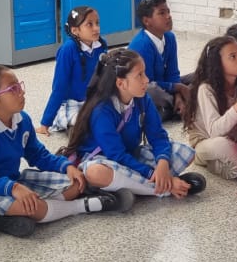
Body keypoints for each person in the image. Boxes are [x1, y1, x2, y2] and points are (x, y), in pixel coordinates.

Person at [0, 66, 128, 238]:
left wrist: (66, 167)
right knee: (34, 207)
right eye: (13, 89)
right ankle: (82, 206)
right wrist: (14, 188)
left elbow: (37, 154)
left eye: (19, 85)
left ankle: (11, 216)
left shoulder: (22, 120)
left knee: (75, 183)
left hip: (12, 181)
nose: (21, 92)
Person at [64, 48, 207, 199]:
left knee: (186, 152)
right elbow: (117, 155)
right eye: (140, 75)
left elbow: (157, 136)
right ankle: (166, 187)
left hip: (131, 155)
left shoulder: (142, 99)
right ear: (121, 83)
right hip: (105, 161)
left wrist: (162, 163)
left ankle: (136, 187)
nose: (146, 79)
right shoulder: (102, 112)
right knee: (96, 173)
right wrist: (153, 173)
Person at [183, 36, 237, 180]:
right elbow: (214, 132)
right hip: (206, 143)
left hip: (234, 138)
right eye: (233, 56)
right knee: (221, 145)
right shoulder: (206, 89)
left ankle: (231, 163)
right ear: (217, 64)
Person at [37, 6, 107, 135]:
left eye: (97, 23)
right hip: (71, 103)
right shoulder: (67, 50)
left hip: (93, 99)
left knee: (109, 117)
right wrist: (45, 123)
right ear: (75, 30)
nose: (96, 28)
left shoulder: (101, 45)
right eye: (89, 25)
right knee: (84, 125)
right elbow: (59, 87)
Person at [126, 0, 190, 120]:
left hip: (165, 86)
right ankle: (179, 107)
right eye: (162, 13)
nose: (168, 16)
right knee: (152, 90)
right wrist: (179, 88)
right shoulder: (141, 45)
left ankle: (177, 105)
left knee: (198, 75)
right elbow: (146, 83)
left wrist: (178, 93)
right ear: (147, 21)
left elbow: (173, 73)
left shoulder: (170, 38)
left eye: (168, 12)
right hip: (145, 88)